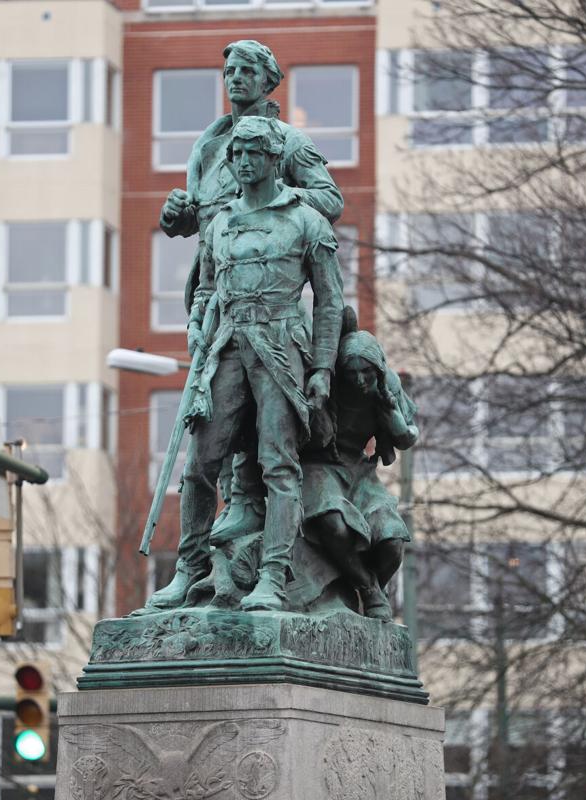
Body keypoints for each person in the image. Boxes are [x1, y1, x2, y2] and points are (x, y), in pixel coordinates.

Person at [147, 39, 344, 610]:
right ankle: (195, 570)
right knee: (206, 461)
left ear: (269, 80)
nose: (234, 77)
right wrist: (181, 217)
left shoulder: (293, 153)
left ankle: (267, 573)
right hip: (223, 314)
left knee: (269, 461)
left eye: (247, 70)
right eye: (228, 69)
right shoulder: (210, 147)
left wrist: (273, 200)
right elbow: (204, 246)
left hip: (277, 328)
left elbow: (329, 203)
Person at [300, 319, 418, 621]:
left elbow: (406, 437)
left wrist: (390, 411)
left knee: (392, 540)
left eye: (367, 372)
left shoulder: (387, 386)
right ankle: (367, 588)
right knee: (333, 522)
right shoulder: (323, 385)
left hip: (359, 470)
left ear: (377, 368)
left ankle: (372, 585)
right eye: (352, 374)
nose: (360, 381)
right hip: (319, 465)